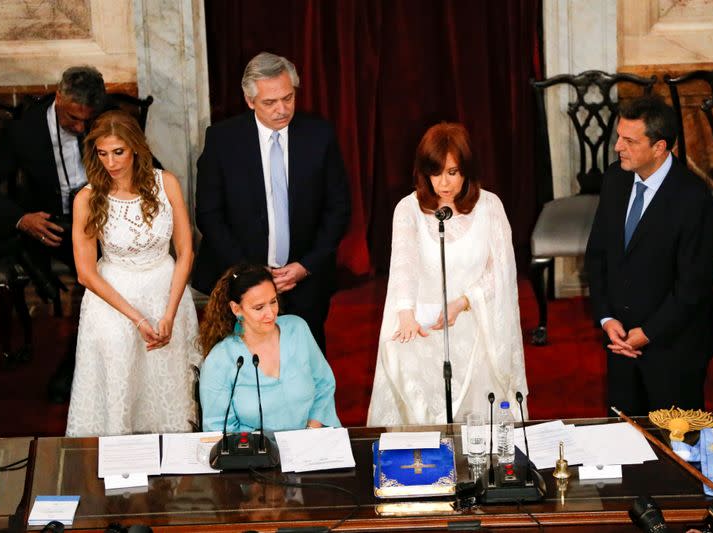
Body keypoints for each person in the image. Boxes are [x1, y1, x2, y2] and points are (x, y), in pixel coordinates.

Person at [367, 122, 528, 425]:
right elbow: (404, 265)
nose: (444, 183)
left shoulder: (490, 206)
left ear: (466, 170)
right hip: (424, 328)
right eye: (436, 172)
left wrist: (463, 302)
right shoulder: (408, 209)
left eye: (452, 172)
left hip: (476, 327)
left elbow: (501, 271)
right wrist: (405, 314)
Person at [193, 52, 351, 354]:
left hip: (305, 281)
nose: (282, 109)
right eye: (270, 102)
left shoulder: (319, 135)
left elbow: (338, 208)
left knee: (304, 363)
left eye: (288, 98)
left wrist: (305, 266)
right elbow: (209, 214)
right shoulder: (223, 140)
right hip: (240, 282)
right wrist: (251, 272)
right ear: (250, 101)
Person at [65, 110, 200, 436]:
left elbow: (185, 252)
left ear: (136, 147)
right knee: (120, 389)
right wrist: (138, 319)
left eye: (118, 152)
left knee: (166, 390)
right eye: (102, 153)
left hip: (165, 294)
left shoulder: (165, 183)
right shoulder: (87, 198)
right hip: (113, 302)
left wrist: (169, 312)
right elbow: (85, 273)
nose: (110, 162)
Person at [585, 95, 713, 417]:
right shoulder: (615, 179)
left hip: (674, 348)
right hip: (620, 342)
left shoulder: (695, 199)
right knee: (624, 435)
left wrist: (646, 334)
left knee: (677, 451)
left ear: (659, 147)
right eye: (619, 136)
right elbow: (598, 255)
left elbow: (694, 287)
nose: (618, 147)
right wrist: (607, 319)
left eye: (630, 141)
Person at [0, 66, 107, 403]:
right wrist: (20, 219)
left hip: (101, 221)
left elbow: (148, 164)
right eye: (73, 118)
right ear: (59, 98)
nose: (81, 127)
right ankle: (76, 370)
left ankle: (83, 363)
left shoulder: (106, 118)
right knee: (97, 280)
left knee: (107, 277)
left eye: (88, 119)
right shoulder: (23, 131)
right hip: (51, 225)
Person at [197, 263, 340, 433]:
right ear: (236, 309)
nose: (271, 313)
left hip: (311, 441)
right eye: (259, 307)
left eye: (273, 302)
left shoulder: (297, 329)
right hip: (256, 455)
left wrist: (309, 432)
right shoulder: (220, 359)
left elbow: (324, 384)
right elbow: (217, 427)